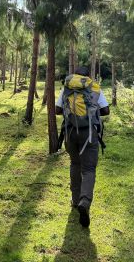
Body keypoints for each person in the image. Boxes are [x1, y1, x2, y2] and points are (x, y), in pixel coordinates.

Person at [55, 65, 110, 228]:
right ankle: (84, 202)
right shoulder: (93, 87)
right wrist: (91, 112)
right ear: (88, 76)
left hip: (70, 131)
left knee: (75, 164)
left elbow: (57, 110)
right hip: (89, 134)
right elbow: (106, 110)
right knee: (88, 169)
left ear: (75, 75)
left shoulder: (67, 87)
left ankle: (75, 199)